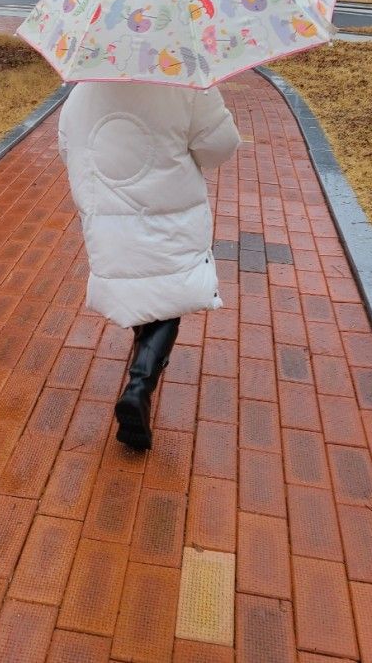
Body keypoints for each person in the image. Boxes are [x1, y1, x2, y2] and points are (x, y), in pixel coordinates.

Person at [58, 81, 241, 450]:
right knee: (167, 291)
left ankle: (141, 374)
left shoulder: (85, 89)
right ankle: (140, 383)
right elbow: (219, 148)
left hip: (110, 211)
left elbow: (68, 147)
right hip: (167, 211)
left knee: (144, 286)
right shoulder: (188, 84)